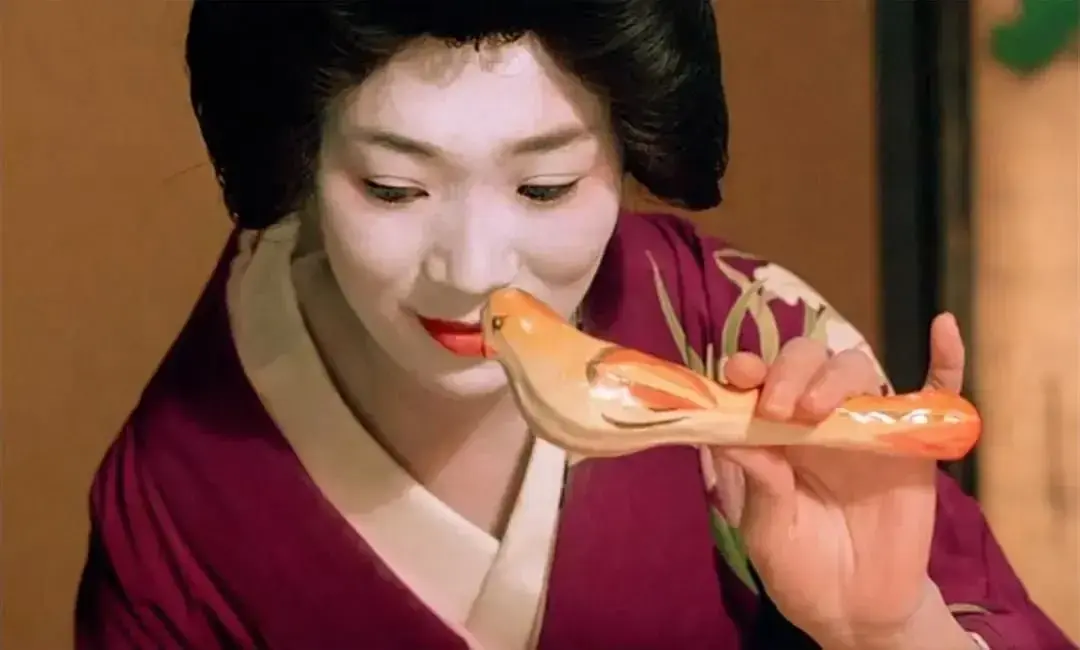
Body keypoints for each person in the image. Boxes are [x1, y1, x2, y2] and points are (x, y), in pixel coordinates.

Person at [75, 2, 1073, 649]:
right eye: (392, 186)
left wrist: (890, 628)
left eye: (546, 186)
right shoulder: (178, 495)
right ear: (303, 155)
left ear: (628, 146)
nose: (473, 271)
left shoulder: (743, 345)